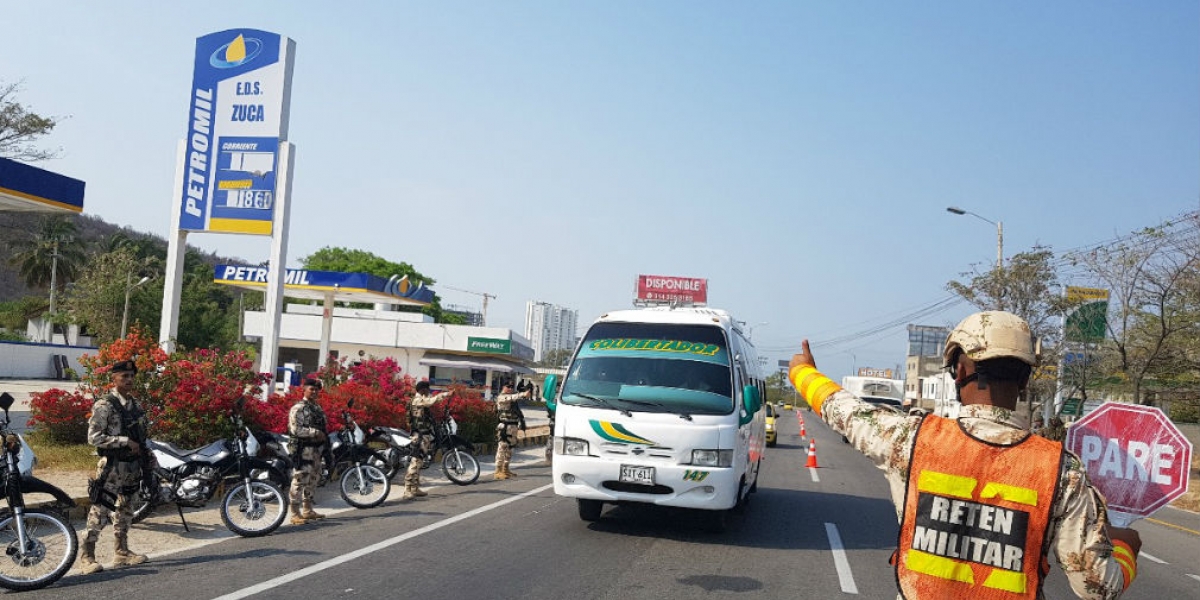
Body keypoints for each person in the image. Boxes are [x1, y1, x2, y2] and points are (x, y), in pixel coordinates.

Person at [790, 311, 1140, 600]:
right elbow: (1096, 588)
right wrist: (1125, 549)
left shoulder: (912, 440)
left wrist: (802, 372)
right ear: (1024, 382)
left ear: (959, 371)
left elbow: (845, 411)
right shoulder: (1063, 471)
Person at [80, 359, 152, 574]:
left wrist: (147, 455)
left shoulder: (135, 405)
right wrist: (123, 441)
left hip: (132, 466)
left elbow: (142, 435)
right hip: (111, 466)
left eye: (132, 376)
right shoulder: (105, 405)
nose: (129, 380)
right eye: (124, 376)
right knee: (101, 509)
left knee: (126, 509)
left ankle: (122, 552)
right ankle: (87, 556)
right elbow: (93, 438)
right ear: (114, 378)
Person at [287, 378, 329, 525]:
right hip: (303, 449)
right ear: (304, 390)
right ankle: (294, 513)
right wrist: (315, 432)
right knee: (299, 480)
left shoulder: (317, 408)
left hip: (316, 449)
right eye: (312, 389)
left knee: (313, 479)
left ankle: (307, 510)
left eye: (317, 389)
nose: (315, 391)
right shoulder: (298, 408)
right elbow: (295, 429)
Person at [404, 380, 451, 499]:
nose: (428, 391)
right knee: (415, 462)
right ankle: (407, 489)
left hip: (423, 435)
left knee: (419, 462)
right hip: (419, 436)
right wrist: (445, 395)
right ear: (423, 389)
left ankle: (414, 488)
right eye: (427, 389)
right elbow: (431, 401)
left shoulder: (419, 399)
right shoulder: (418, 400)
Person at [493, 383, 531, 480]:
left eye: (511, 387)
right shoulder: (501, 397)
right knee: (502, 447)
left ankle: (505, 469)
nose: (510, 388)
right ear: (503, 387)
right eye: (508, 386)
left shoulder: (512, 399)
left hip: (513, 425)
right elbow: (511, 397)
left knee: (510, 448)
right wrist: (522, 394)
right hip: (504, 426)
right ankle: (498, 471)